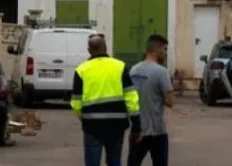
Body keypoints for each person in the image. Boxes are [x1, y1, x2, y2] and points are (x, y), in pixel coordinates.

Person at [71, 34, 141, 166]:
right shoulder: (120, 66)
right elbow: (131, 97)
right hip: (116, 124)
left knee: (92, 163)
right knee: (114, 162)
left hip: (92, 125)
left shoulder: (81, 70)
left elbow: (76, 102)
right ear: (106, 48)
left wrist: (84, 117)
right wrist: (136, 124)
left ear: (89, 50)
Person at [127, 34, 174, 166]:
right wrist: (159, 96)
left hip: (137, 129)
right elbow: (170, 102)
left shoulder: (134, 70)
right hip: (157, 130)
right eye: (164, 49)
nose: (165, 53)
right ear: (157, 50)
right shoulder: (162, 72)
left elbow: (131, 97)